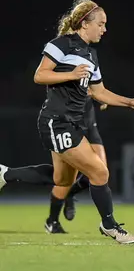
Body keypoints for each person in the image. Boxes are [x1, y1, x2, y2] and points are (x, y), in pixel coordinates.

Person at [2, 0, 134, 244]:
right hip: (56, 122)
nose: (104, 29)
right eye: (100, 24)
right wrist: (70, 74)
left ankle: (5, 174)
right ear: (84, 24)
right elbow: (39, 76)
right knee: (100, 172)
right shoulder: (61, 44)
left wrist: (129, 101)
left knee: (63, 180)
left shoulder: (91, 55)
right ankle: (109, 225)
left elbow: (100, 92)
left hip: (71, 123)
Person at [0, 96, 108, 234]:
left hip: (87, 121)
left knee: (100, 173)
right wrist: (101, 95)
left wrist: (102, 94)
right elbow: (43, 77)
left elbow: (95, 85)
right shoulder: (64, 78)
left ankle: (69, 195)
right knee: (63, 178)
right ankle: (52, 221)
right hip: (65, 122)